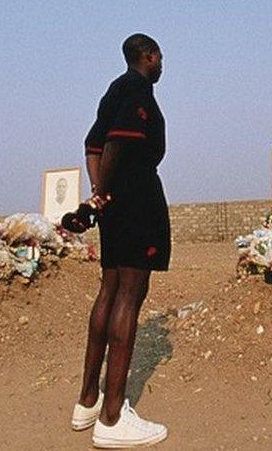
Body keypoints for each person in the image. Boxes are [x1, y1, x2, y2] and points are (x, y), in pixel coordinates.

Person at [72, 33, 170, 448]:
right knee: (130, 294)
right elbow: (114, 143)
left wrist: (99, 194)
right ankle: (112, 418)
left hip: (114, 204)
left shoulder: (113, 90)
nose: (162, 64)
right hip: (135, 198)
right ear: (148, 56)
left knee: (109, 292)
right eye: (160, 57)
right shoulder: (136, 89)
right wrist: (103, 191)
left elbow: (91, 146)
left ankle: (88, 401)